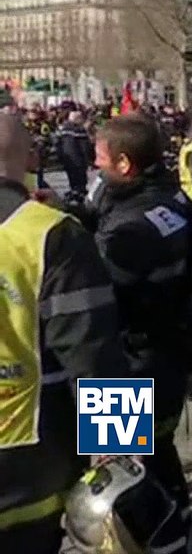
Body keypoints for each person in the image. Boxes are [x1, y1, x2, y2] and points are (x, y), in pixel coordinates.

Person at [0, 114, 131, 554]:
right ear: (29, 156)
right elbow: (95, 353)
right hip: (26, 468)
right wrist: (121, 454)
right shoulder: (52, 235)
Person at [85, 114, 192, 553]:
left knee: (124, 478)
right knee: (160, 453)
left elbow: (96, 291)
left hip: (125, 364)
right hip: (167, 355)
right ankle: (180, 528)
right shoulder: (170, 198)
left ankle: (163, 544)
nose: (95, 167)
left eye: (100, 159)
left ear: (123, 163)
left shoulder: (127, 234)